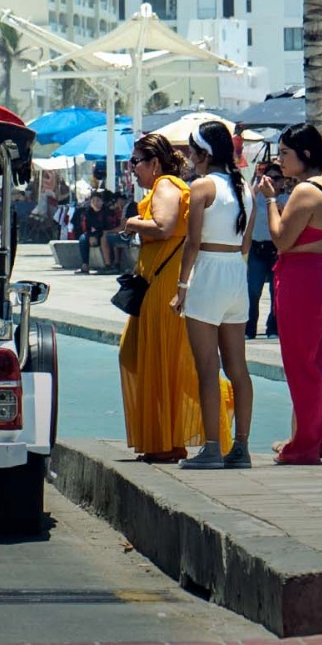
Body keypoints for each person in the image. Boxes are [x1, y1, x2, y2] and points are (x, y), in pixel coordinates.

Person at [118, 133, 232, 462]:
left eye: (136, 162)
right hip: (164, 281)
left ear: (154, 163)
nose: (133, 169)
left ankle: (172, 439)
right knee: (154, 356)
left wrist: (131, 222)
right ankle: (169, 439)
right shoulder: (174, 186)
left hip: (163, 285)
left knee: (153, 356)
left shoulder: (165, 186)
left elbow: (164, 226)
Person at [257, 124, 322, 466]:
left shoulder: (305, 191)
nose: (280, 160)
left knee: (303, 367)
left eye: (285, 153)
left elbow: (281, 239)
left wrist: (271, 200)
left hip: (305, 281)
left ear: (304, 154)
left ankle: (304, 445)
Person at [171, 122, 256, 470]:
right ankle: (242, 447)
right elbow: (247, 243)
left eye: (192, 151)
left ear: (204, 154)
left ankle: (210, 448)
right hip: (236, 272)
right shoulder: (246, 189)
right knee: (239, 368)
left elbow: (191, 243)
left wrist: (181, 287)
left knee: (208, 368)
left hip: (208, 272)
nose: (190, 158)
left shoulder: (201, 187)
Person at [245, 163, 285, 340]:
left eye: (277, 178)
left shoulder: (287, 198)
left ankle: (273, 328)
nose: (273, 182)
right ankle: (249, 328)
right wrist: (257, 181)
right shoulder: (257, 196)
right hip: (257, 247)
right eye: (270, 178)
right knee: (253, 291)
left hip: (276, 249)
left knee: (276, 293)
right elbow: (247, 202)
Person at [73, 191, 120, 274]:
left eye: (98, 200)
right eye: (93, 201)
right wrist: (90, 236)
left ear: (102, 201)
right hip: (94, 234)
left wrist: (100, 233)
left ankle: (109, 265)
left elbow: (111, 226)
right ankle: (85, 265)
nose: (95, 203)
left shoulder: (108, 212)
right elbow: (85, 227)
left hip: (106, 233)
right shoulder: (87, 212)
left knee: (104, 237)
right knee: (83, 238)